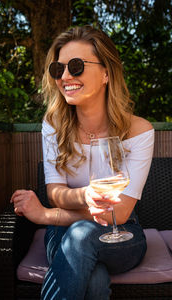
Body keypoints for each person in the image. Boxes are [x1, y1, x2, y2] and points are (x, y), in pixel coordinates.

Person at [11, 25, 154, 300]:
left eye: (76, 66)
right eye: (58, 69)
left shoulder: (140, 131)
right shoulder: (53, 125)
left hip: (122, 235)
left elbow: (121, 213)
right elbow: (55, 192)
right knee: (95, 280)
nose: (65, 76)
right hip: (64, 234)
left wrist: (46, 216)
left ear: (106, 74)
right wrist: (86, 195)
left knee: (81, 235)